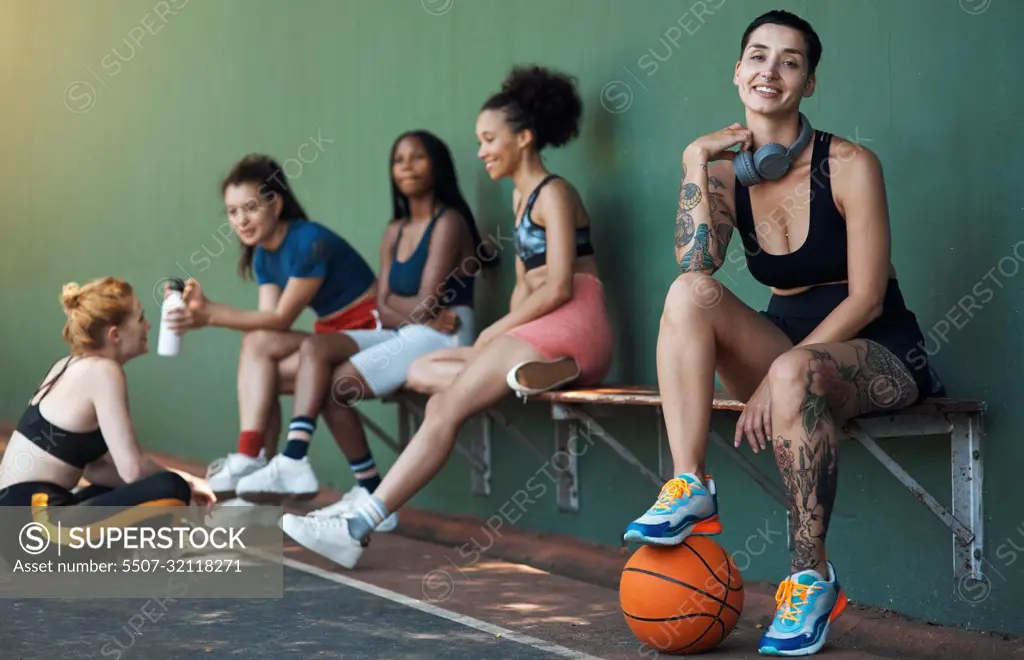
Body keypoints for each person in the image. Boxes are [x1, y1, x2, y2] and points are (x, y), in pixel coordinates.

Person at [623, 10, 945, 657]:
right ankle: (690, 485)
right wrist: (695, 162)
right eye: (758, 56)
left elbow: (868, 294)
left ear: (810, 82)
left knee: (796, 373)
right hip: (783, 344)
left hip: (877, 346)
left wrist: (785, 367)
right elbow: (696, 266)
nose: (770, 70)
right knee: (688, 295)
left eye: (790, 60)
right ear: (737, 71)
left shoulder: (851, 164)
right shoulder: (722, 170)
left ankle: (810, 577)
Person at [278, 64, 613, 568]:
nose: (480, 151)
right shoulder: (521, 198)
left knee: (445, 408)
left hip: (577, 323)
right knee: (421, 371)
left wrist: (499, 331)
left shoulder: (555, 194)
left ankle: (358, 525)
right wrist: (500, 335)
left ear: (523, 138)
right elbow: (526, 285)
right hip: (538, 330)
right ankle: (528, 372)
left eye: (488, 139)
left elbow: (561, 285)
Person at [230, 130, 496, 532]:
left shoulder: (449, 222)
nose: (405, 166)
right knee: (317, 351)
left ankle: (353, 486)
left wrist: (412, 312)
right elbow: (386, 307)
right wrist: (414, 313)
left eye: (416, 157)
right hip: (410, 333)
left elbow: (418, 304)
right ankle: (301, 464)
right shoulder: (394, 230)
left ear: (436, 165)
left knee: (331, 383)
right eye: (398, 160)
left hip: (447, 335)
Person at [165, 154, 380, 503]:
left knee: (261, 357)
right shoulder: (264, 254)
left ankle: (253, 458)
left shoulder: (310, 242)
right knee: (261, 362)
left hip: (373, 336)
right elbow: (268, 330)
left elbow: (279, 319)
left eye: (249, 208)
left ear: (275, 203)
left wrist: (211, 315)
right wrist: (201, 312)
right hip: (332, 341)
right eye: (232, 212)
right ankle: (256, 468)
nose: (240, 220)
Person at [0, 277, 216, 518]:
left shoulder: (69, 364)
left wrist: (186, 481)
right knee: (170, 488)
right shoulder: (104, 371)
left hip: (24, 516)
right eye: (141, 318)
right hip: (32, 523)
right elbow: (133, 469)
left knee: (130, 487)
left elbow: (97, 469)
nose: (148, 326)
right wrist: (185, 484)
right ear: (115, 335)